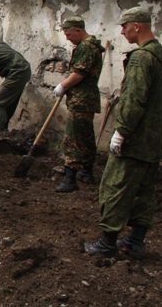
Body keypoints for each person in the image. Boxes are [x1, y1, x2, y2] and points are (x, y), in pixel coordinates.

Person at [85, 7, 162, 258]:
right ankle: (135, 241)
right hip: (153, 140)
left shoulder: (142, 58)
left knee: (114, 186)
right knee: (143, 191)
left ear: (137, 26)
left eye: (125, 26)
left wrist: (121, 131)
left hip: (134, 139)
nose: (121, 31)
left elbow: (133, 100)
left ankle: (107, 242)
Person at [54, 16, 105, 192]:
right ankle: (87, 172)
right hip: (85, 98)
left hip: (81, 99)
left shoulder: (86, 47)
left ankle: (70, 178)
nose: (67, 38)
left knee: (73, 137)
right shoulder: (90, 46)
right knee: (85, 136)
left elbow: (80, 73)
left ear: (78, 30)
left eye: (68, 34)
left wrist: (63, 85)